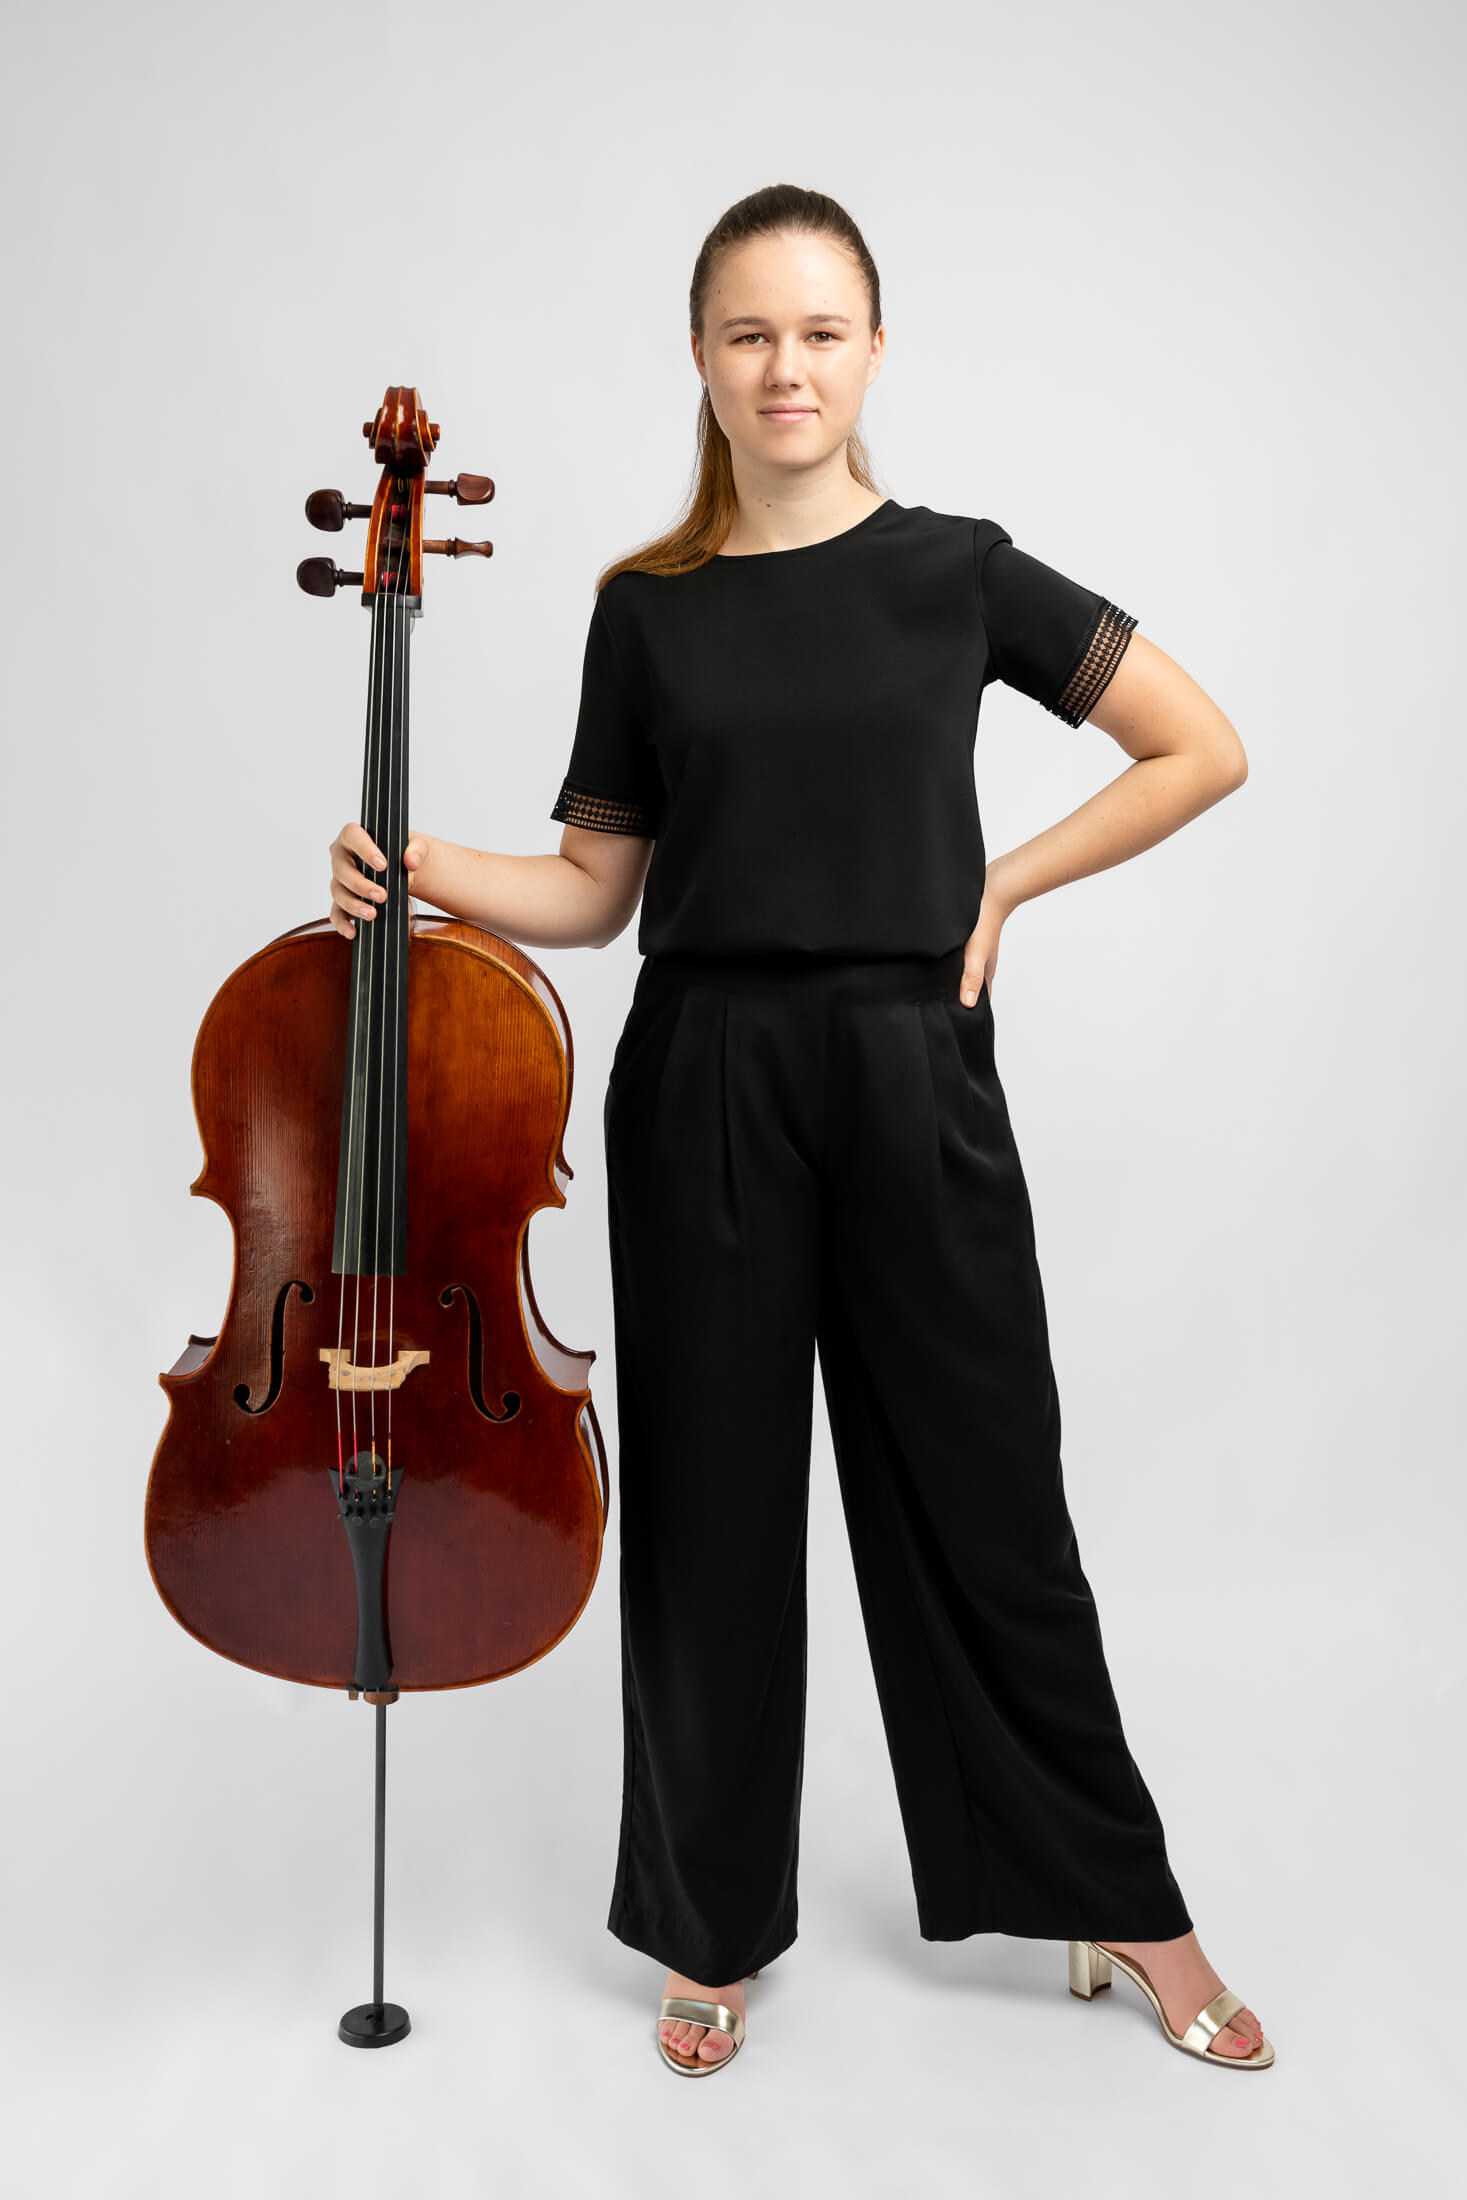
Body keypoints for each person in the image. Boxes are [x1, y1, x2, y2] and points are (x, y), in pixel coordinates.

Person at [328, 183, 1274, 2079]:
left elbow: (1201, 745)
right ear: (700, 357)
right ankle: (707, 1923)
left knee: (991, 1499)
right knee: (715, 1518)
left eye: (822, 331)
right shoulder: (647, 609)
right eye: (750, 332)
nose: (787, 366)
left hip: (917, 1070)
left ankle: (1119, 1900)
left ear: (873, 352)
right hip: (709, 1081)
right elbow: (603, 893)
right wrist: (423, 869)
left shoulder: (960, 569)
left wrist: (1000, 884)